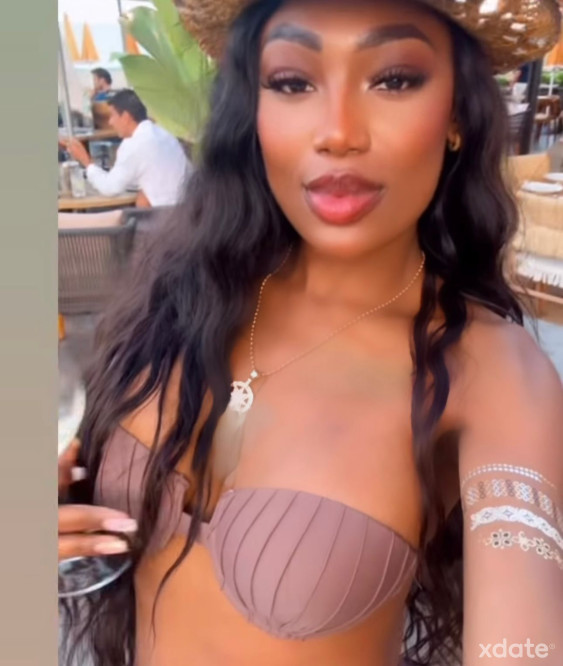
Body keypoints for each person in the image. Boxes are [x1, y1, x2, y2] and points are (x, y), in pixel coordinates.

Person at [58, 1, 563, 665]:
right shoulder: (180, 296)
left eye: (394, 79)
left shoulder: (491, 372)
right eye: (292, 82)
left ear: (457, 117)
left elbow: (525, 639)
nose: (337, 133)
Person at [60, 89, 192, 208]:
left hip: (164, 217)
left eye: (113, 116)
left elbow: (110, 188)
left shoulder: (134, 144)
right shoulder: (164, 133)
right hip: (187, 210)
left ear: (126, 117)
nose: (110, 122)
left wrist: (86, 161)